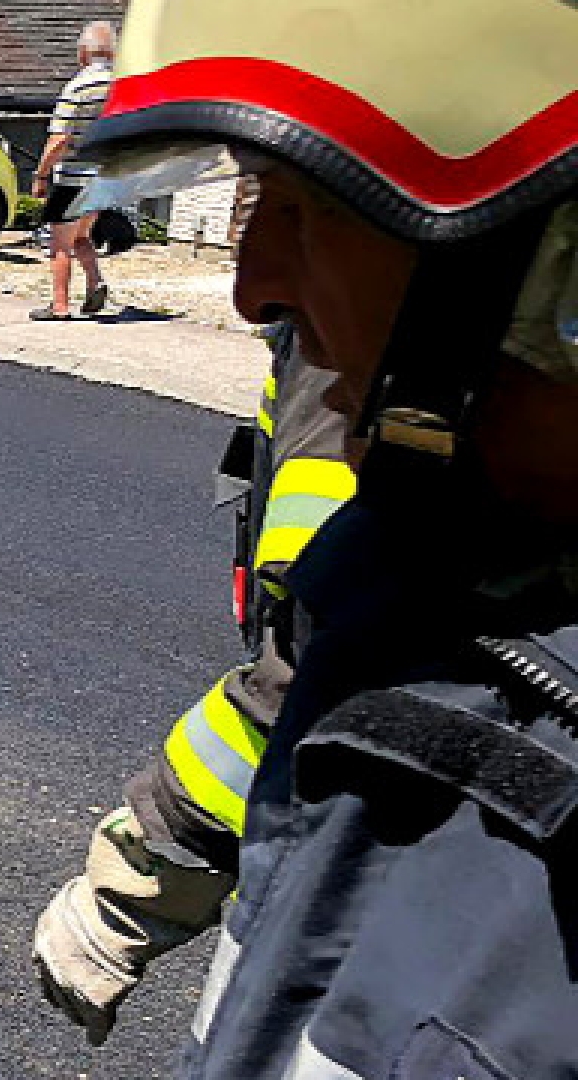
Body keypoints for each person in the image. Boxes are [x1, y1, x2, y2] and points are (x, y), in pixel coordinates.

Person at [42, 0, 578, 1074]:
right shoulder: (419, 564)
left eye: (301, 207)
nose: (251, 288)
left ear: (550, 273)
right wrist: (155, 861)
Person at [32, 323, 354, 1045]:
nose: (252, 275)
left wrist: (134, 889)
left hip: (370, 880)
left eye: (298, 214)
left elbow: (320, 662)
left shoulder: (375, 336)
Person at [29, 21, 114, 322]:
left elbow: (59, 139)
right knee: (82, 236)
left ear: (82, 54)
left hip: (73, 177)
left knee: (59, 243)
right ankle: (95, 281)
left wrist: (41, 175)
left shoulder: (78, 87)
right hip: (105, 176)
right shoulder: (120, 87)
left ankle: (60, 306)